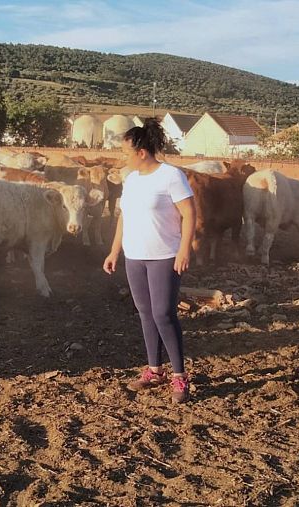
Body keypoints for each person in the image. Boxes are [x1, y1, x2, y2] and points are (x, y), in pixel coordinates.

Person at [102, 119, 196, 403]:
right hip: (135, 256)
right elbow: (124, 217)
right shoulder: (131, 180)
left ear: (141, 152)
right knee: (145, 313)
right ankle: (154, 370)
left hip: (164, 256)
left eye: (126, 153)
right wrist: (114, 251)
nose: (124, 158)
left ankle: (179, 377)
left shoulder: (171, 176)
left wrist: (184, 250)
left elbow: (190, 214)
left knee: (163, 314)